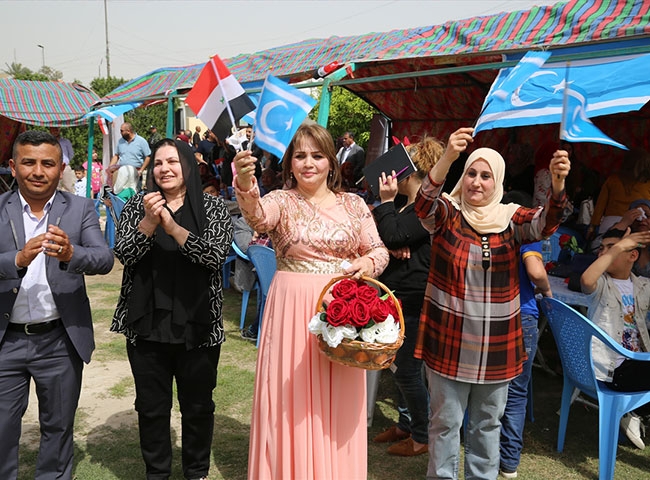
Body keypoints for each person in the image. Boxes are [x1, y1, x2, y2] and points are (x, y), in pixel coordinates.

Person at [233, 123, 389, 479]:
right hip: (292, 312)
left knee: (340, 403)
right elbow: (256, 216)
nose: (308, 163)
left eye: (317, 155)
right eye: (300, 156)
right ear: (289, 164)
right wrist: (244, 182)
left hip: (342, 311)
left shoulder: (354, 204)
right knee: (291, 400)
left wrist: (366, 263)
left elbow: (379, 250)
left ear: (331, 163)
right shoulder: (279, 200)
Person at [414, 126, 570, 479]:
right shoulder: (448, 215)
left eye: (486, 175)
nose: (477, 182)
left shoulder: (511, 219)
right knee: (445, 425)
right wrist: (447, 157)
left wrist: (558, 187)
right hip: (448, 342)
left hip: (497, 346)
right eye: (471, 173)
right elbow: (423, 204)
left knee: (486, 427)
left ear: (496, 180)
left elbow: (546, 224)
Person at [111, 138, 233, 480]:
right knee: (151, 409)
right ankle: (157, 473)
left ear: (189, 167)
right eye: (159, 163)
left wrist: (173, 228)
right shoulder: (138, 206)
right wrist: (150, 222)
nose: (165, 169)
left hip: (198, 325)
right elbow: (125, 255)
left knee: (198, 407)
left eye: (173, 162)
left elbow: (214, 257)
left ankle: (196, 472)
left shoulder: (213, 208)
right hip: (146, 323)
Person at [0, 130, 114, 479]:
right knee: (2, 431)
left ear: (60, 167)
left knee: (58, 429)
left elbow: (104, 258)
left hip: (59, 341)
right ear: (13, 166)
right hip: (6, 341)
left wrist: (71, 253)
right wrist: (16, 259)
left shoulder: (78, 208)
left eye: (47, 164)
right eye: (28, 162)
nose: (38, 171)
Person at [371, 137, 444, 457]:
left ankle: (422, 434)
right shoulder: (405, 207)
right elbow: (383, 234)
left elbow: (393, 232)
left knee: (408, 369)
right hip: (396, 296)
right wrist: (389, 240)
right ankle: (405, 423)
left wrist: (387, 210)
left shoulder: (426, 208)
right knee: (397, 366)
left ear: (409, 174)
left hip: (415, 298)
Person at [499, 189, 553, 479]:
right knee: (517, 392)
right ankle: (509, 462)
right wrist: (546, 288)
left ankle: (485, 448)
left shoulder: (492, 231)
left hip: (496, 314)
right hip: (524, 316)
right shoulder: (525, 236)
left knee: (489, 388)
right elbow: (535, 271)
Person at [580, 227, 650, 450]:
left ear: (633, 255)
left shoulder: (642, 286)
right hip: (611, 369)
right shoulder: (602, 285)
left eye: (611, 248)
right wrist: (619, 246)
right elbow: (586, 279)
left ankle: (634, 412)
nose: (604, 253)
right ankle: (635, 412)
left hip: (636, 363)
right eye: (602, 248)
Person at [587, 148, 650, 242]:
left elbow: (600, 206)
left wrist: (592, 226)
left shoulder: (613, 179)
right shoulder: (647, 183)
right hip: (637, 224)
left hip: (610, 222)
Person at [50, 127, 76, 193]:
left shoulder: (66, 141)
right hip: (52, 167)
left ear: (59, 130)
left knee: (69, 187)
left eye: (56, 129)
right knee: (54, 187)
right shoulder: (48, 142)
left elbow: (71, 154)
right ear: (50, 131)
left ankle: (70, 202)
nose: (55, 131)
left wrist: (65, 162)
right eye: (53, 129)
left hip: (65, 167)